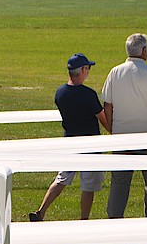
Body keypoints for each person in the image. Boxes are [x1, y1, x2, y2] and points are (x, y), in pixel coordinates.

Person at [29, 53, 110, 222]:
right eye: (87, 68)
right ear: (82, 70)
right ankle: (83, 219)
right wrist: (114, 132)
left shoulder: (60, 93)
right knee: (88, 186)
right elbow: (103, 119)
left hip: (70, 143)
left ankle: (41, 211)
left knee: (62, 179)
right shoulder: (89, 94)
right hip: (90, 145)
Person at [101, 33, 147, 218]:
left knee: (119, 183)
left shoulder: (114, 72)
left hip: (122, 138)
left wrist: (113, 130)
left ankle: (114, 219)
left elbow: (108, 106)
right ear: (143, 51)